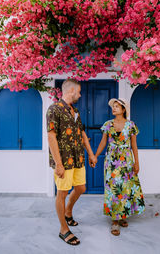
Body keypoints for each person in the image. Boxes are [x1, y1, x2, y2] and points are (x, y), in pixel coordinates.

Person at [46, 79, 97, 245]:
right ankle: (63, 229)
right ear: (72, 90)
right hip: (64, 160)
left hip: (78, 158)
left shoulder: (75, 111)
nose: (80, 95)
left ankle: (68, 212)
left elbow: (82, 134)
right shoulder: (54, 109)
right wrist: (58, 164)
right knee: (62, 193)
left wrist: (91, 154)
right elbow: (51, 136)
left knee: (81, 188)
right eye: (79, 91)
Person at [95, 98, 145, 236]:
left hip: (126, 161)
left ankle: (122, 215)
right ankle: (115, 221)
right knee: (113, 188)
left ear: (123, 110)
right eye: (113, 106)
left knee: (124, 188)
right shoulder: (107, 124)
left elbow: (134, 145)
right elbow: (102, 143)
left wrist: (137, 162)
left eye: (117, 106)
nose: (114, 108)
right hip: (111, 161)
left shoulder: (131, 125)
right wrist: (95, 156)